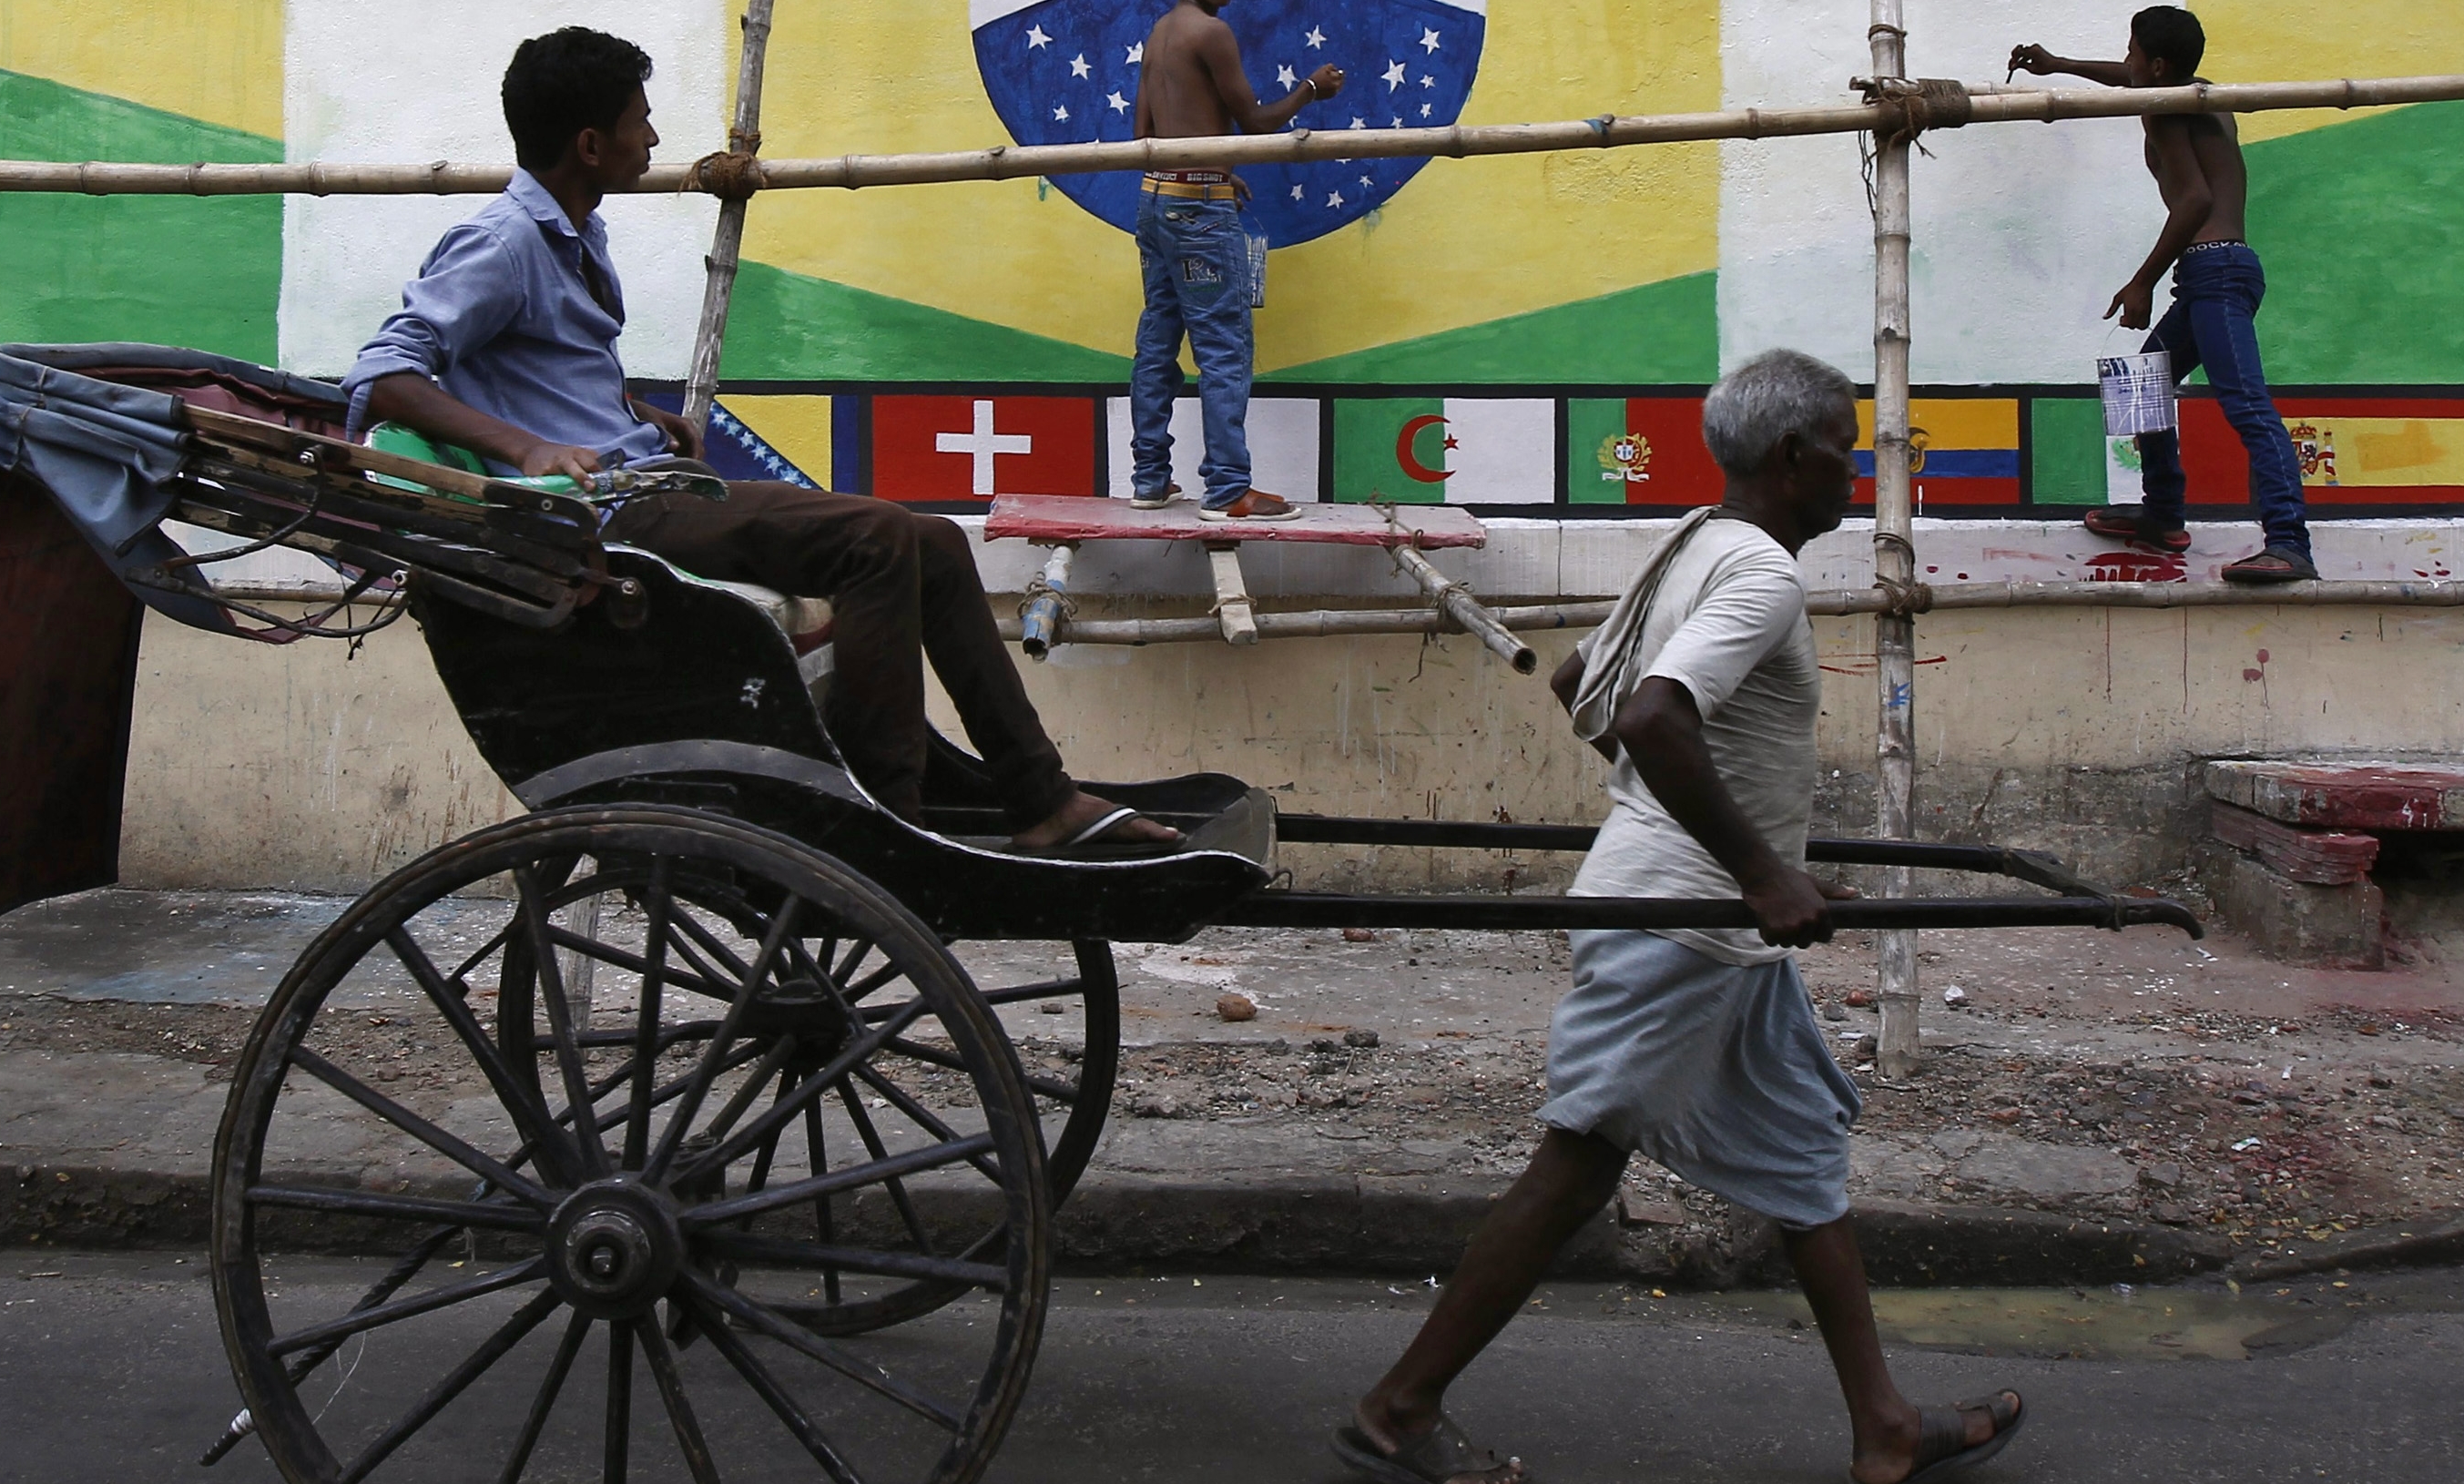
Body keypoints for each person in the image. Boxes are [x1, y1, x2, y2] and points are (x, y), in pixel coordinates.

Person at [1336, 350, 2027, 1484]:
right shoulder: (1756, 576)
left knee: (1802, 1148)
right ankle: (1395, 1411)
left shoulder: (1690, 542)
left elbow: (1579, 684)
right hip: (1677, 923)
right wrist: (1757, 869)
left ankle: (1884, 1427)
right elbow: (1653, 719)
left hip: (1702, 918)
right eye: (1847, 449)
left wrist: (1776, 869)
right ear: (1793, 456)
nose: (1857, 471)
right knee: (1577, 1159)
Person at [345, 27, 1177, 850]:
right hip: (606, 519)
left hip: (646, 483)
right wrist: (526, 451)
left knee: (928, 540)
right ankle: (890, 816)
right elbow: (385, 372)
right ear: (591, 143)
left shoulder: (570, 232)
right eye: (641, 119)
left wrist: (631, 417)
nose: (656, 136)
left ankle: (1039, 797)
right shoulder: (504, 241)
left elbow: (537, 372)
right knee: (879, 540)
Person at [2013, 7, 2316, 584]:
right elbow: (2125, 78)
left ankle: (2289, 541)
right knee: (2142, 385)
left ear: (2156, 65)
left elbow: (2195, 201)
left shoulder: (2165, 107)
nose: (2126, 64)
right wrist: (2059, 65)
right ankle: (2162, 514)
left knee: (2247, 406)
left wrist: (2141, 281)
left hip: (2214, 269)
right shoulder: (2197, 91)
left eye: (2132, 52)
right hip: (2219, 270)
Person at [1126, 0, 1343, 522]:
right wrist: (1311, 89)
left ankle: (1150, 480)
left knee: (1158, 339)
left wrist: (1214, 169)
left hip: (1157, 198)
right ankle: (1227, 490)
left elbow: (1145, 134)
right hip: (1199, 211)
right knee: (1224, 346)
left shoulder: (1162, 32)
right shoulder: (1211, 32)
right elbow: (1255, 122)